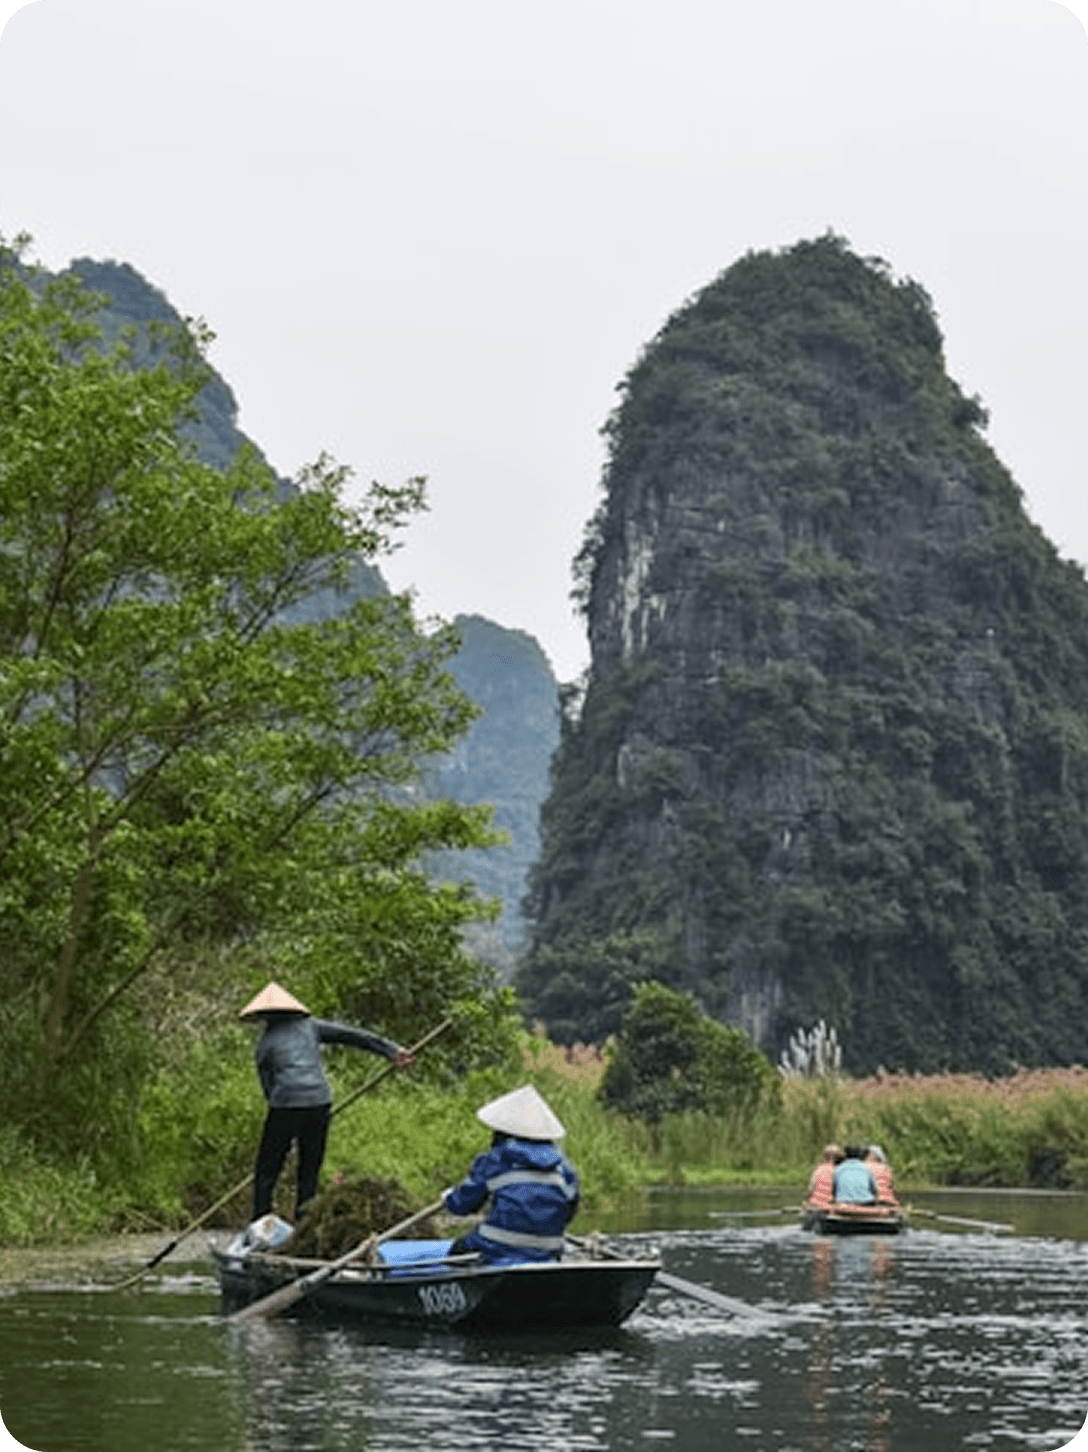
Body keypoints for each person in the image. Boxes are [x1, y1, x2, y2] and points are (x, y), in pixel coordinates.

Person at [239, 981, 414, 1221]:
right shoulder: (311, 1026)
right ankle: (305, 1221)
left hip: (286, 1104)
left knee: (267, 1170)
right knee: (309, 1167)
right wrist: (391, 1050)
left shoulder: (266, 1043)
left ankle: (260, 1221)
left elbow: (268, 1088)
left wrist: (284, 1123)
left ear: (264, 1015)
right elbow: (353, 1036)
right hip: (319, 1101)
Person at [443, 1084, 580, 1265]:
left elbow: (461, 1205)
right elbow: (569, 1212)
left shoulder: (496, 1159)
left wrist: (448, 1197)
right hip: (547, 1252)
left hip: (494, 1249)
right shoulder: (564, 1167)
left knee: (457, 1252)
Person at [805, 1144, 844, 1211]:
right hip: (830, 1206)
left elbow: (811, 1189)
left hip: (814, 1204)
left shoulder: (818, 1169)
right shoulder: (839, 1171)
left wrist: (807, 1202)